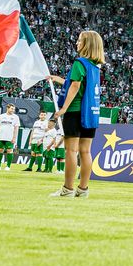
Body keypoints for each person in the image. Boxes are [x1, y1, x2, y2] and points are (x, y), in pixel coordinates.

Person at [50, 30, 104, 198]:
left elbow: (75, 86)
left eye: (80, 41)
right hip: (91, 113)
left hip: (75, 111)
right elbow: (75, 83)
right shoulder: (95, 67)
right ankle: (83, 189)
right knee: (86, 152)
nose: (77, 43)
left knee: (71, 151)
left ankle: (67, 189)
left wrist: (64, 108)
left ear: (87, 44)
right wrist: (57, 79)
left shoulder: (79, 63)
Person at [0, 104, 20, 171]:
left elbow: (16, 128)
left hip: (9, 137)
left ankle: (8, 166)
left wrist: (14, 138)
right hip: (1, 136)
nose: (13, 110)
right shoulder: (2, 116)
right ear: (7, 108)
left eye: (13, 109)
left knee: (9, 151)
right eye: (11, 109)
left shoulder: (15, 117)